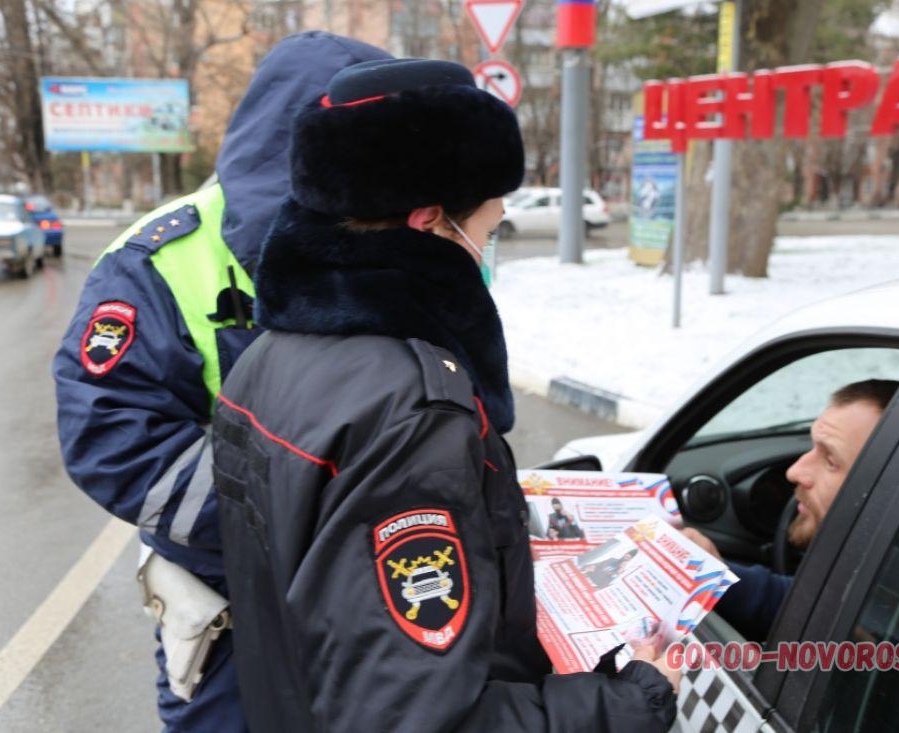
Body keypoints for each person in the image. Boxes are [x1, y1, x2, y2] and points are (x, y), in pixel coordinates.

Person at [210, 58, 679, 732]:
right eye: (486, 232)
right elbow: (417, 719)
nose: (485, 254)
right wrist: (632, 700)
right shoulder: (415, 411)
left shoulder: (270, 355)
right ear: (430, 223)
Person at [52, 32, 390, 731]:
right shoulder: (153, 262)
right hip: (231, 603)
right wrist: (301, 517)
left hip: (379, 596)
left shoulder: (394, 236)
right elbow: (112, 439)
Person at [682, 379, 899, 641]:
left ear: (894, 489)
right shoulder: (875, 562)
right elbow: (811, 605)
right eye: (812, 447)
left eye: (830, 460)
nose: (794, 471)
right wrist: (716, 576)